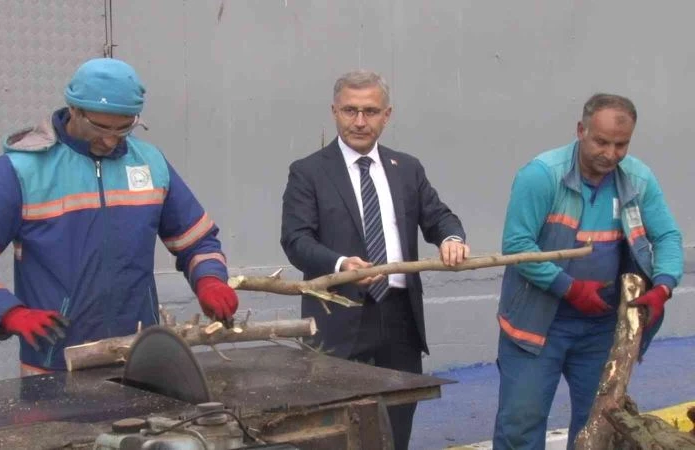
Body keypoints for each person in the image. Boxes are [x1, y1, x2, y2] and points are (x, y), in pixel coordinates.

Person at [0, 58, 239, 376]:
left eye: (124, 128)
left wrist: (210, 280)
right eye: (100, 127)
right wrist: (8, 313)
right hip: (55, 366)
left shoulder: (150, 164)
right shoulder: (21, 171)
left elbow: (197, 240)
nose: (110, 139)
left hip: (138, 359)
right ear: (74, 110)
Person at [280, 69, 469, 450]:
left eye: (370, 111)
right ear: (334, 111)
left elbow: (439, 216)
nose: (360, 122)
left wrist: (452, 238)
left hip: (399, 321)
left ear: (387, 115)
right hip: (336, 319)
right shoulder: (308, 172)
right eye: (350, 111)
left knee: (395, 430)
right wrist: (339, 266)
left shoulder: (407, 168)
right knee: (331, 434)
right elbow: (296, 240)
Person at [493, 93, 683, 449]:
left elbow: (669, 236)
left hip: (602, 326)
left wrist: (664, 286)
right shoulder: (541, 176)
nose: (610, 154)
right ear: (581, 130)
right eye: (601, 142)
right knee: (520, 426)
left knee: (598, 427)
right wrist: (570, 288)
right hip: (537, 325)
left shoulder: (638, 179)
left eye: (620, 144)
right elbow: (517, 246)